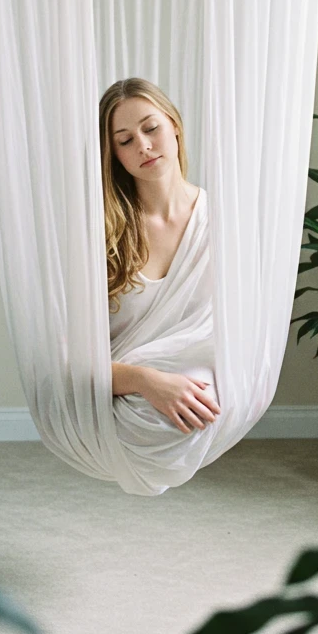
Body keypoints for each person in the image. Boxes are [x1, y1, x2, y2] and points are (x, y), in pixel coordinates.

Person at [99, 77, 220, 437]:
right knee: (146, 416)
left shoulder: (221, 220)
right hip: (120, 380)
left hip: (197, 375)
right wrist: (144, 381)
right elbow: (66, 356)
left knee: (185, 413)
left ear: (175, 127)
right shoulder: (105, 230)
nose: (144, 146)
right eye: (125, 140)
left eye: (151, 128)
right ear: (115, 154)